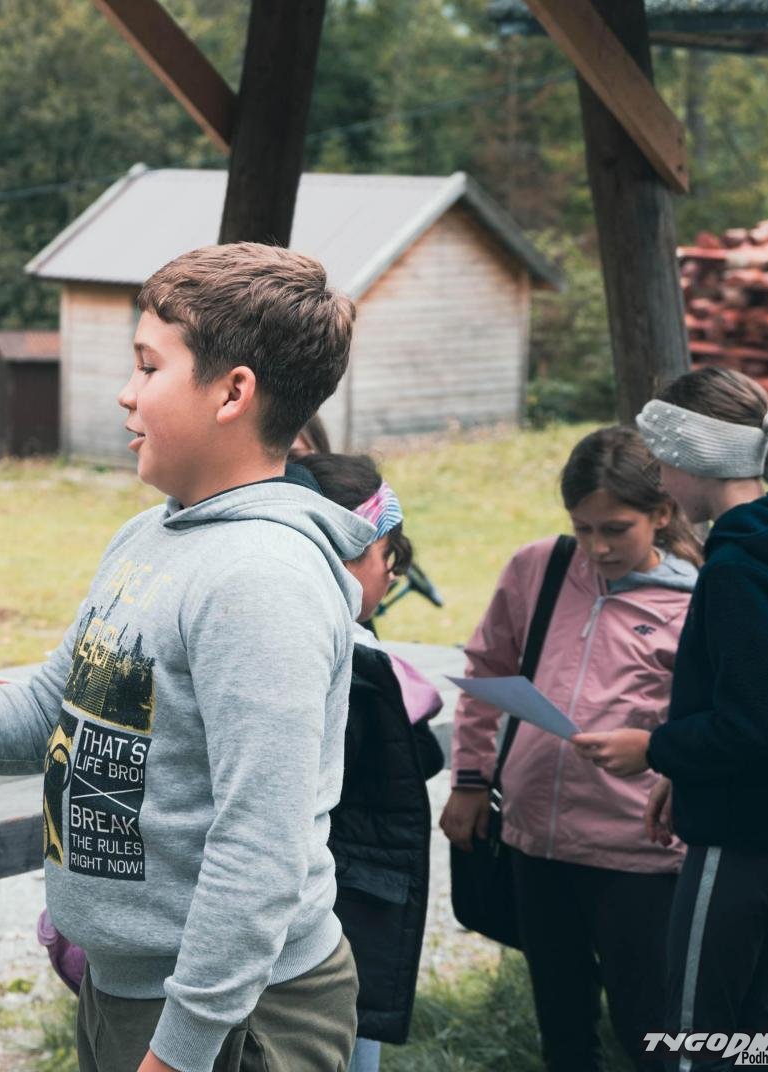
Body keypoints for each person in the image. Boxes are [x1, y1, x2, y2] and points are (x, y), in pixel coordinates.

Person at [0, 244, 371, 1072]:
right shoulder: (150, 538)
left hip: (235, 1015)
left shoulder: (261, 579)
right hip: (133, 994)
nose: (125, 392)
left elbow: (261, 847)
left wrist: (182, 1050)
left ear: (233, 393)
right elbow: (52, 712)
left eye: (149, 366)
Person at [572, 368, 768, 1070]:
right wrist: (683, 768)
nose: (656, 478)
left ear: (695, 458)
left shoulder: (737, 569)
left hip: (738, 841)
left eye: (660, 460)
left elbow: (753, 724)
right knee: (760, 1039)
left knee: (697, 1040)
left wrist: (654, 747)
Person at [444, 427, 700, 1070]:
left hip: (639, 853)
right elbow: (486, 670)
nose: (597, 547)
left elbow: (710, 726)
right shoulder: (542, 567)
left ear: (661, 514)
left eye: (616, 529)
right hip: (536, 842)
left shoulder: (697, 602)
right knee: (562, 1027)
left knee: (649, 1028)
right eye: (583, 529)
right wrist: (470, 780)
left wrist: (655, 748)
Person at [296, 453, 445, 1072]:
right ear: (350, 556)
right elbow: (416, 759)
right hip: (333, 917)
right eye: (388, 555)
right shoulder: (351, 662)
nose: (391, 571)